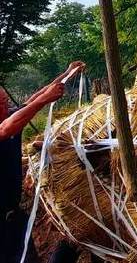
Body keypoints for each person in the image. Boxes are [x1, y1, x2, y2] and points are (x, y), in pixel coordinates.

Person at [0, 63, 85, 263]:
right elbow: (5, 129)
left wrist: (66, 74)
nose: (6, 106)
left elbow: (34, 99)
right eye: (2, 103)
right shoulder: (6, 126)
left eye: (5, 101)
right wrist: (44, 100)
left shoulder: (11, 118)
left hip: (15, 218)